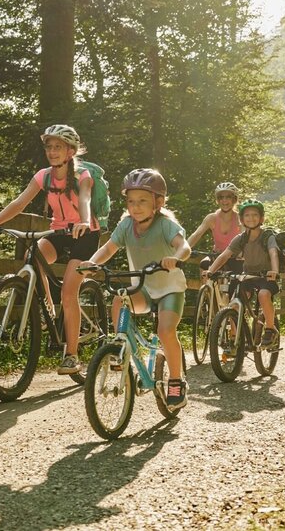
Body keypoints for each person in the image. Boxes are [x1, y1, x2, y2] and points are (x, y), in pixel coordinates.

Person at [0, 124, 101, 375]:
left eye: (58, 147)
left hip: (85, 233)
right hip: (58, 232)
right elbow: (20, 202)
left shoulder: (82, 175)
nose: (52, 152)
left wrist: (84, 221)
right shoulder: (43, 176)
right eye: (49, 147)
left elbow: (85, 197)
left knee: (69, 292)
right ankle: (48, 312)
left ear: (70, 151)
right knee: (31, 257)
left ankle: (72, 355)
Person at [79, 168, 191, 410]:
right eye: (131, 201)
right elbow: (108, 249)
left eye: (142, 201)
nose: (135, 206)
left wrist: (176, 258)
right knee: (120, 300)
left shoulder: (166, 225)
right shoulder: (126, 225)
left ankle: (175, 381)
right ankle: (120, 346)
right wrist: (92, 263)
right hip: (143, 287)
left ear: (158, 203)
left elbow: (184, 246)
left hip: (170, 289)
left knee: (165, 331)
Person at [203, 198, 280, 348]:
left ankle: (271, 329)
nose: (251, 218)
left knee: (263, 295)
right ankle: (236, 337)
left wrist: (275, 271)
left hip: (266, 276)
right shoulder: (241, 238)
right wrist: (211, 270)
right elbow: (225, 255)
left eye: (255, 215)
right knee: (234, 303)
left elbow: (273, 254)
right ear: (242, 219)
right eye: (247, 215)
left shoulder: (267, 237)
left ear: (262, 218)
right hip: (248, 275)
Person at [187, 182, 243, 273]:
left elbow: (245, 238)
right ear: (217, 200)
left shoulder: (239, 219)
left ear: (234, 199)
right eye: (221, 197)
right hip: (216, 255)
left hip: (235, 257)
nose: (224, 200)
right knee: (204, 265)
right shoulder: (212, 218)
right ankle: (206, 287)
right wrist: (184, 249)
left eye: (228, 197)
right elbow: (196, 235)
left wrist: (242, 252)